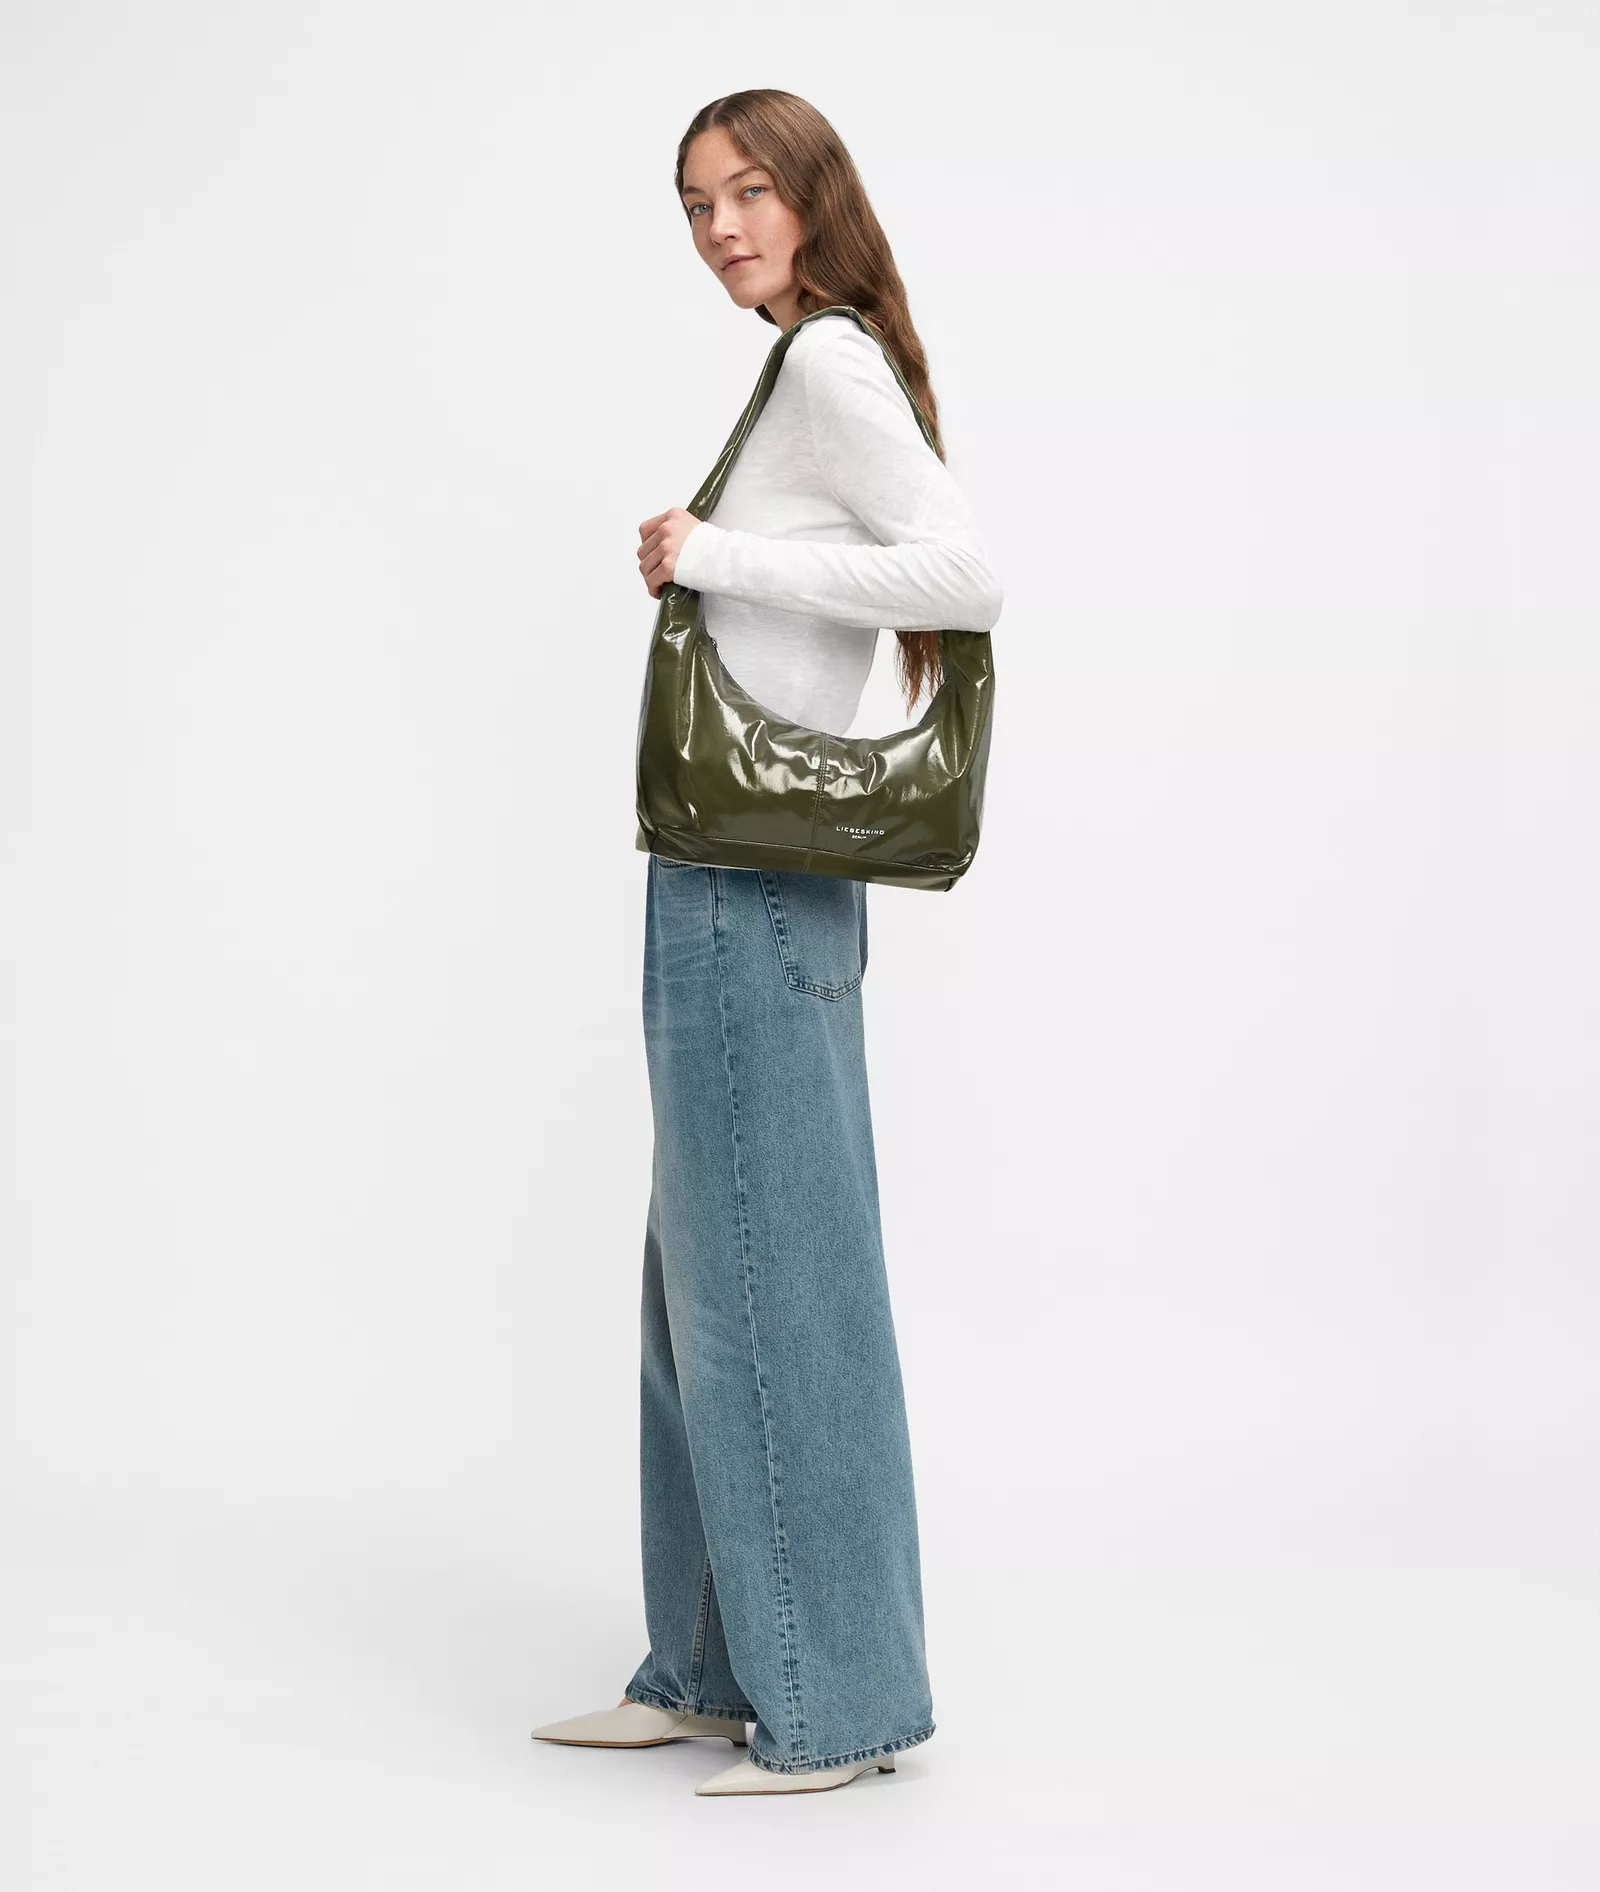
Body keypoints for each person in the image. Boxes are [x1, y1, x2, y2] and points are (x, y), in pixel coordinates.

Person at [531, 89, 1003, 1798]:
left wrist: (712, 550)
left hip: (752, 874)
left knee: (772, 1287)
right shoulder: (802, 364)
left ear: (813, 198)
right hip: (727, 870)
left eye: (747, 191)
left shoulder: (828, 363)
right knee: (703, 1290)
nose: (721, 226)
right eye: (694, 203)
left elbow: (967, 573)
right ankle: (712, 1669)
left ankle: (834, 1706)